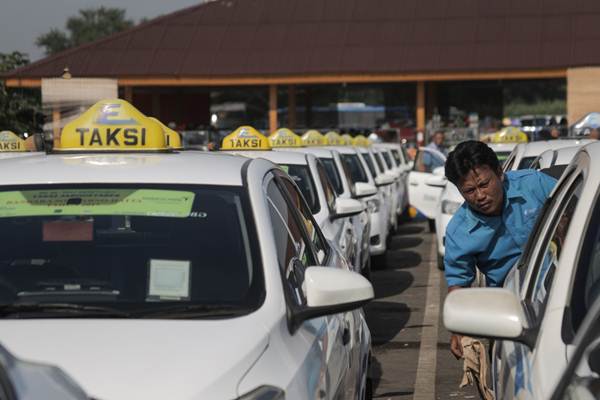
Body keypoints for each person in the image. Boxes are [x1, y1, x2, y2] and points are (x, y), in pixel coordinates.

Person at [443, 141, 556, 359]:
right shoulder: (459, 233)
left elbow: (578, 214)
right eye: (469, 190)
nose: (479, 196)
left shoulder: (536, 184)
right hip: (511, 312)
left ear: (500, 173)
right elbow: (458, 286)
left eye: (484, 185)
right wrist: (458, 330)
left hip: (567, 286)